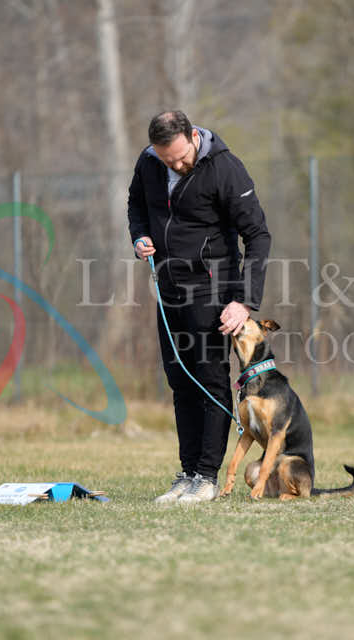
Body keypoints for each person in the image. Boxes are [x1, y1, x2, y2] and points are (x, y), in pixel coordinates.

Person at [127, 110, 271, 504]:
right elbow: (136, 204)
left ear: (193, 137)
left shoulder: (226, 169)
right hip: (168, 287)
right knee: (180, 380)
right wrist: (139, 236)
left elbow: (258, 235)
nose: (175, 166)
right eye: (166, 160)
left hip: (213, 289)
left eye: (180, 158)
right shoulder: (148, 162)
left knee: (209, 380)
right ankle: (188, 472)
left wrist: (244, 301)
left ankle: (207, 477)